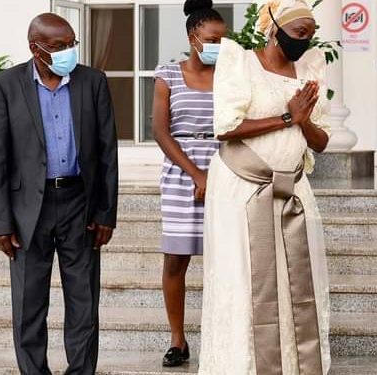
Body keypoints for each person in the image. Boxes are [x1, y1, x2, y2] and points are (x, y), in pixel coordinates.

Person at [199, 0, 331, 374]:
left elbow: (320, 141)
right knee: (245, 284)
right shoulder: (240, 63)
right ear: (274, 28)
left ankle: (294, 365)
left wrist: (303, 121)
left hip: (293, 193)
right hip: (242, 192)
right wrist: (287, 115)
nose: (305, 41)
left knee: (294, 285)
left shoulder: (309, 70)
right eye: (299, 33)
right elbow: (225, 127)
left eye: (310, 34)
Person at [0, 13, 118, 374]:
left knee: (83, 302)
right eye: (59, 47)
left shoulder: (92, 81)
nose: (68, 53)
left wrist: (106, 212)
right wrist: (2, 221)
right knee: (29, 305)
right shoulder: (7, 84)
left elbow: (107, 152)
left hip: (81, 204)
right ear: (36, 47)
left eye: (72, 44)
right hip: (29, 208)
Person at [152, 0, 226, 367]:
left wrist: (217, 174)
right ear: (193, 37)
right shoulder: (168, 74)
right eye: (213, 38)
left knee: (225, 261)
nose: (219, 45)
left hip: (226, 171)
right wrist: (196, 174)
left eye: (223, 40)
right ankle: (178, 340)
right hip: (182, 174)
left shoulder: (229, 74)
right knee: (175, 261)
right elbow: (160, 132)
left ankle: (222, 336)